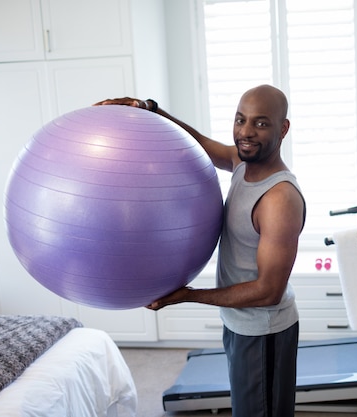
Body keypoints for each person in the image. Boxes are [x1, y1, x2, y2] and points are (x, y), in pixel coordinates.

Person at [95, 85, 305, 417]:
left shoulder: (279, 199)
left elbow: (268, 292)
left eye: (261, 123)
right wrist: (150, 109)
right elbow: (198, 144)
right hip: (239, 322)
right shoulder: (242, 162)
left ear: (283, 128)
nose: (246, 132)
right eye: (240, 120)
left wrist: (188, 295)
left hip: (263, 329)